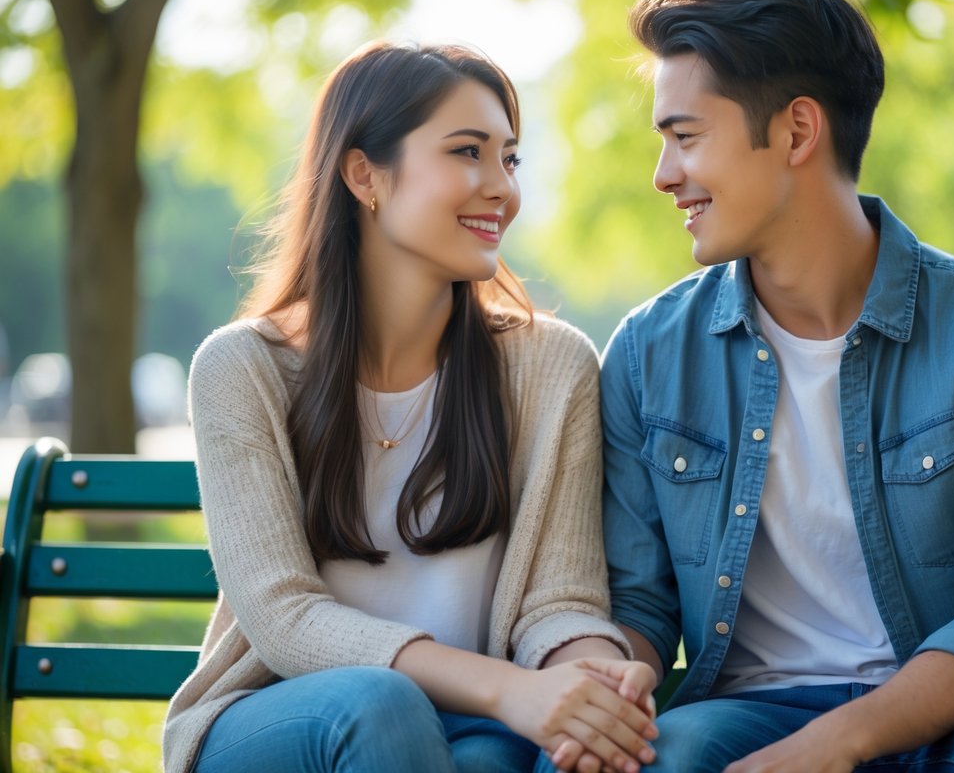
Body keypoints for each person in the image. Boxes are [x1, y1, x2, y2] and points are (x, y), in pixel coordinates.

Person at [598, 0, 954, 772]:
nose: (663, 175)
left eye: (685, 137)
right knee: (669, 755)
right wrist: (615, 672)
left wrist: (831, 746)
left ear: (798, 132)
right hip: (744, 715)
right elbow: (638, 605)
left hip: (951, 710)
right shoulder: (646, 352)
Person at [163, 41, 659, 773]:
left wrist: (590, 677)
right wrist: (506, 691)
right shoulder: (242, 369)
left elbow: (560, 598)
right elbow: (284, 619)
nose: (500, 187)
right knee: (381, 705)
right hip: (276, 721)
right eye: (467, 152)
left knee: (504, 761)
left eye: (510, 159)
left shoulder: (551, 367)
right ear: (365, 175)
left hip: (474, 728)